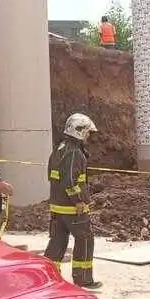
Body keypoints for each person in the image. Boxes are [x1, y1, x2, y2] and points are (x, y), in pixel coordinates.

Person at [45, 113, 102, 289]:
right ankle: (83, 278)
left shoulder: (59, 149)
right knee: (85, 238)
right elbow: (70, 180)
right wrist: (78, 200)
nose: (87, 137)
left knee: (58, 241)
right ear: (79, 131)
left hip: (58, 206)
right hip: (72, 208)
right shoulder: (75, 152)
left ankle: (48, 277)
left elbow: (52, 176)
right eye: (86, 133)